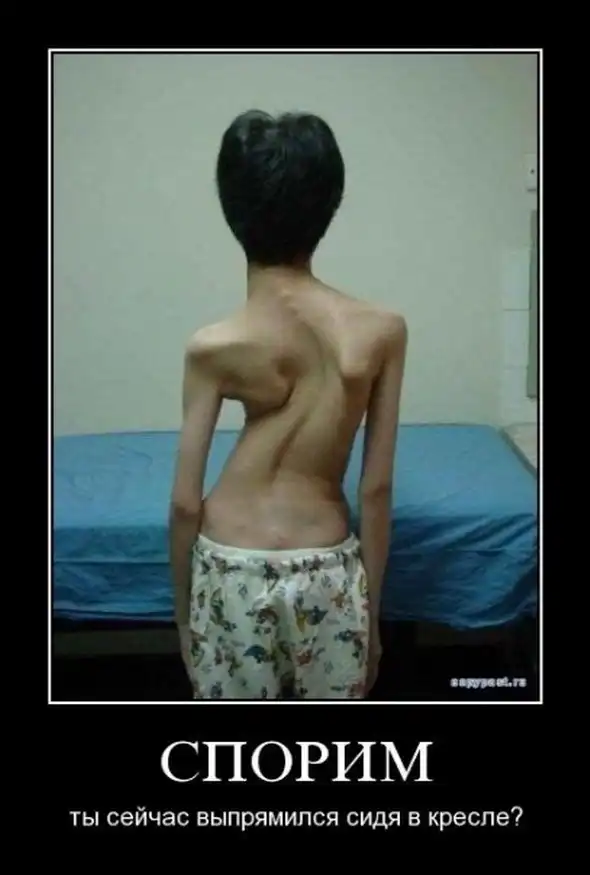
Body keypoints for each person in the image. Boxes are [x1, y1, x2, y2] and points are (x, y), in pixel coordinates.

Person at [169, 109, 407, 699]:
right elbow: (375, 490)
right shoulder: (382, 330)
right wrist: (371, 622)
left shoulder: (213, 346)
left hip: (229, 563)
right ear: (329, 205)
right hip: (325, 564)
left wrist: (184, 620)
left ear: (232, 210)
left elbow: (183, 503)